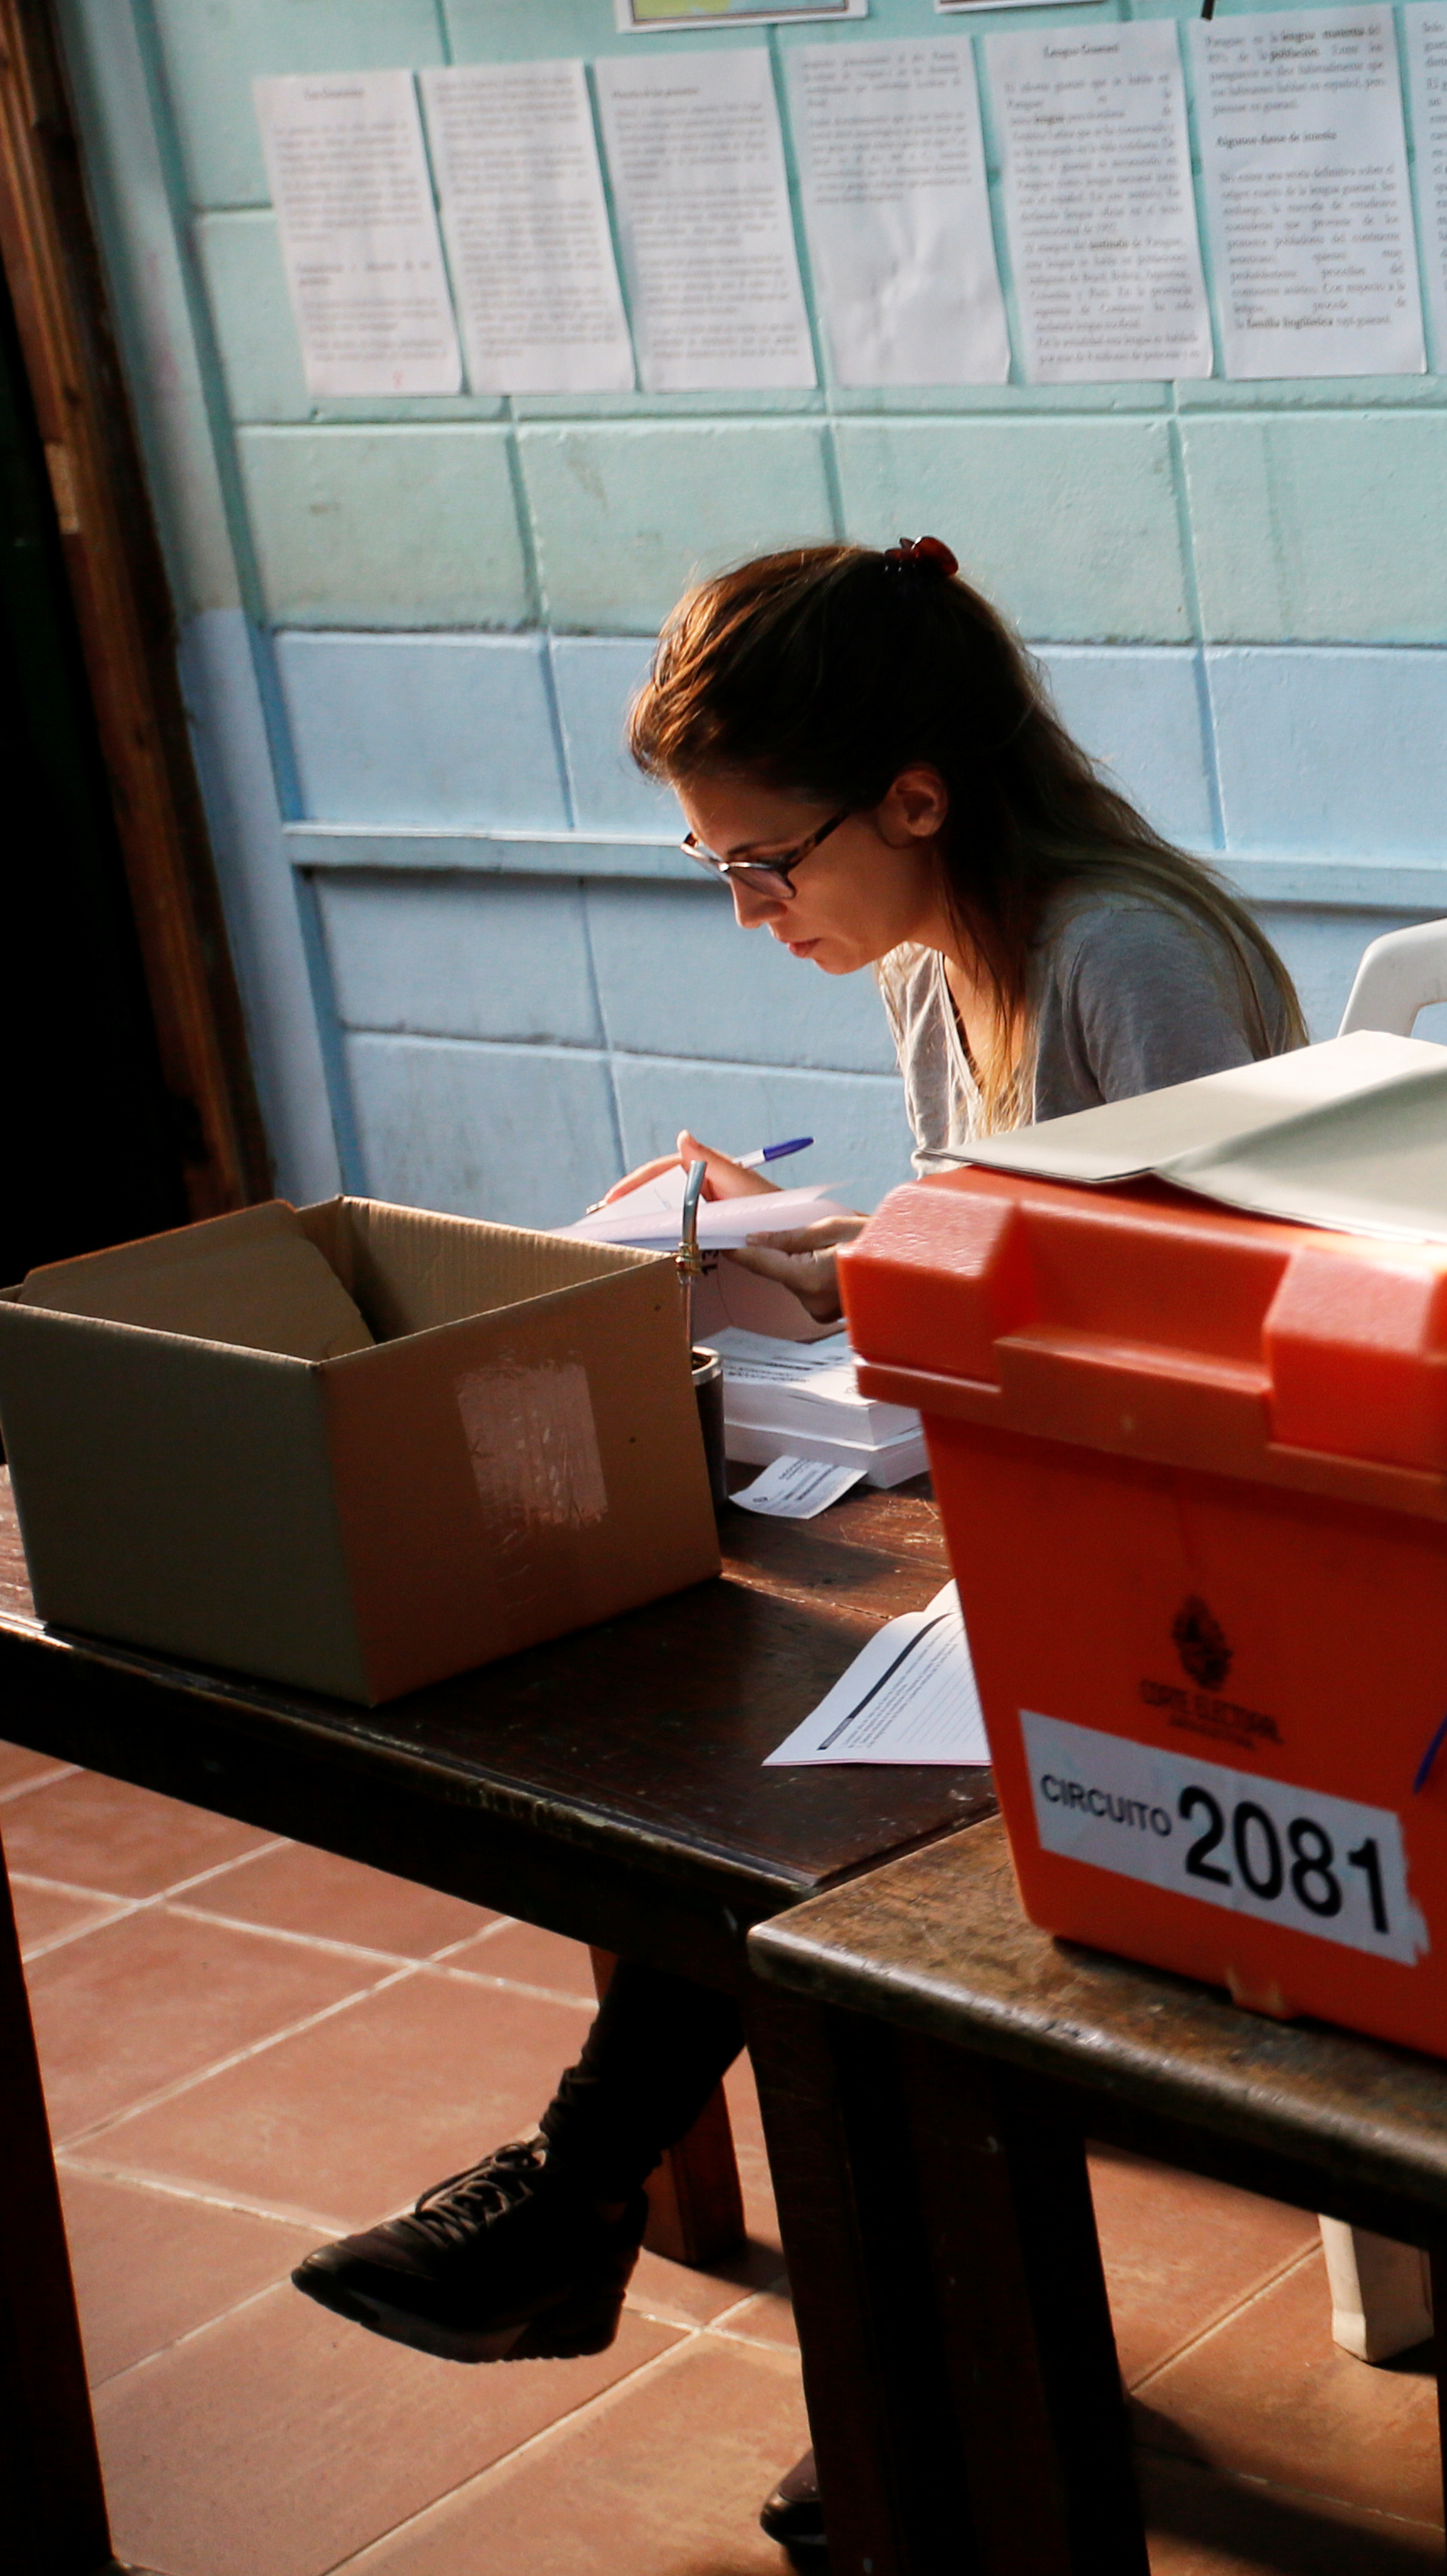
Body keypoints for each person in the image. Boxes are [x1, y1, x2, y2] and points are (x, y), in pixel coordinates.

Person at [286, 538, 1305, 2555]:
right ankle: (760, 2285)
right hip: (1038, 1510)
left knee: (809, 1823)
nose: (751, 911)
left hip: (1219, 1562)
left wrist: (901, 1297)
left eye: (764, 862)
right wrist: (793, 1248)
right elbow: (995, 1252)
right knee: (743, 1745)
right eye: (715, 872)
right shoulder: (943, 951)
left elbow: (1239, 1324)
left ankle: (883, 2362)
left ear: (914, 796)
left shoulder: (1126, 958)